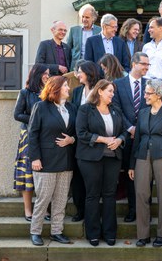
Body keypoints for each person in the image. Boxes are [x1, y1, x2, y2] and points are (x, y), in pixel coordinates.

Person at [129, 79, 162, 248]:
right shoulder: (143, 113)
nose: (145, 96)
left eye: (148, 93)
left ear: (158, 95)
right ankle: (142, 235)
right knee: (141, 194)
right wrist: (131, 164)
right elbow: (136, 140)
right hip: (142, 156)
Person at [76, 79, 128, 247]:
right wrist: (104, 139)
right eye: (110, 91)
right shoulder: (85, 110)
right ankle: (93, 234)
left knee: (110, 195)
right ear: (100, 91)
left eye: (113, 91)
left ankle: (110, 233)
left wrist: (120, 140)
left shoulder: (116, 110)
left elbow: (124, 132)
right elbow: (81, 133)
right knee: (92, 195)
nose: (113, 94)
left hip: (113, 158)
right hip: (90, 159)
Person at [28, 76, 77, 246]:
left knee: (61, 199)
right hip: (45, 162)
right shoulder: (40, 107)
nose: (68, 89)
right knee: (43, 198)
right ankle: (35, 231)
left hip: (66, 162)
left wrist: (72, 139)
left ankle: (57, 231)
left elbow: (78, 131)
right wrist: (35, 157)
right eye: (65, 86)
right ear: (55, 88)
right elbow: (32, 133)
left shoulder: (72, 108)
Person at [112, 52, 150, 223]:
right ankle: (132, 209)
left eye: (148, 65)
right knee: (129, 173)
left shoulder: (149, 84)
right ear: (134, 63)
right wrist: (129, 127)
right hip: (126, 137)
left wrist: (140, 128)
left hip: (145, 137)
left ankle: (145, 210)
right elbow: (116, 108)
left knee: (145, 174)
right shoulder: (118, 84)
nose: (146, 67)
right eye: (144, 64)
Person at [13, 64, 50, 222]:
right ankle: (28, 211)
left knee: (46, 175)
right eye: (45, 74)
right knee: (27, 174)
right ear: (38, 74)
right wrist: (36, 120)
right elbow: (17, 114)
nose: (48, 76)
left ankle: (45, 210)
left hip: (46, 137)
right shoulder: (25, 92)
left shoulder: (48, 93)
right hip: (28, 137)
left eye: (49, 74)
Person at [69, 60, 102, 222]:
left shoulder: (100, 90)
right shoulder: (76, 92)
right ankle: (79, 210)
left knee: (93, 181)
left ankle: (93, 212)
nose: (77, 74)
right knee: (77, 180)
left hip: (96, 141)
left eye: (80, 71)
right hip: (77, 141)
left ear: (89, 72)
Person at [67, 4, 101, 70]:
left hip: (93, 67)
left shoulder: (99, 31)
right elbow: (68, 49)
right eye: (83, 17)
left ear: (93, 18)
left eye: (87, 17)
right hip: (76, 67)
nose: (84, 19)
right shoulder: (74, 30)